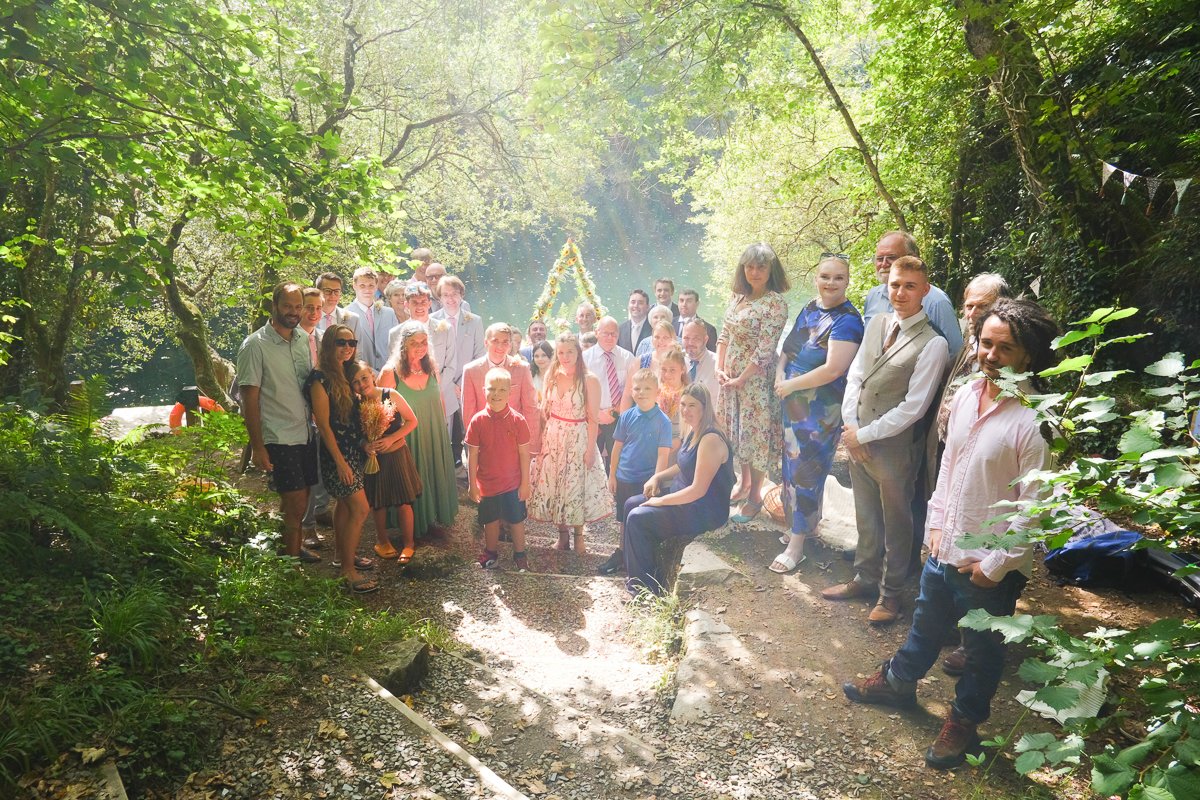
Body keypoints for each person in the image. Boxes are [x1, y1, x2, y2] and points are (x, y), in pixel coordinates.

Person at [842, 298, 1057, 770]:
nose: (991, 355)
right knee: (925, 625)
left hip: (988, 566)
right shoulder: (964, 396)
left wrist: (994, 566)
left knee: (980, 653)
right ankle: (899, 683)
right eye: (985, 343)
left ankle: (962, 722)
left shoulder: (1033, 421)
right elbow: (948, 471)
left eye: (1006, 347)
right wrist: (935, 527)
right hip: (946, 545)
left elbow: (1035, 507)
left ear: (1028, 355)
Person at [823, 255, 949, 625]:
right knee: (866, 516)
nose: (901, 292)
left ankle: (891, 594)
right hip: (858, 437)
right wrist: (850, 428)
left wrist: (863, 434)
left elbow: (914, 407)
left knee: (897, 523)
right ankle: (864, 579)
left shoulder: (933, 344)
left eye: (910, 285)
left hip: (893, 448)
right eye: (895, 284)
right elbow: (855, 377)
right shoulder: (877, 323)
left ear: (924, 291)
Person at [769, 254, 864, 574]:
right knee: (790, 467)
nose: (831, 283)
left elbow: (833, 369)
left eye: (838, 277)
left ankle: (798, 547)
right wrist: (780, 373)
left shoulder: (848, 320)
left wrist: (791, 384)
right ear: (816, 278)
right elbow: (789, 348)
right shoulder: (810, 308)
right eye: (825, 276)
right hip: (792, 403)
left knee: (807, 471)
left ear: (848, 280)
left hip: (820, 411)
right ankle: (806, 526)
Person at [622, 383, 735, 595]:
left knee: (639, 518)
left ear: (705, 407)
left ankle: (644, 589)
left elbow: (698, 491)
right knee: (630, 504)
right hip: (684, 499)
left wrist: (661, 501)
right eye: (683, 404)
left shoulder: (710, 438)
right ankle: (633, 568)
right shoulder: (694, 430)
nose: (685, 410)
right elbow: (684, 464)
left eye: (692, 405)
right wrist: (658, 476)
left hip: (702, 510)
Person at [236, 282, 319, 562]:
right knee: (294, 501)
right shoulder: (255, 345)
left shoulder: (301, 340)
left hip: (305, 432)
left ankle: (290, 547)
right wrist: (258, 447)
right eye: (287, 306)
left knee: (301, 497)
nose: (294, 312)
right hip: (278, 436)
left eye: (298, 307)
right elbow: (249, 398)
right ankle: (290, 562)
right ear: (274, 306)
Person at [716, 243, 790, 523]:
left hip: (755, 382)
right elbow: (724, 335)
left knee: (755, 437)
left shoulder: (775, 303)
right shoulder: (738, 297)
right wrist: (719, 370)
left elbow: (765, 349)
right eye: (749, 266)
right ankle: (745, 482)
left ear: (771, 270)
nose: (754, 272)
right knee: (737, 433)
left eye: (761, 267)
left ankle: (756, 496)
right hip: (731, 381)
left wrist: (740, 378)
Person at [304, 326, 377, 593]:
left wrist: (364, 442)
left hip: (353, 451)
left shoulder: (345, 374)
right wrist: (340, 462)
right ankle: (348, 571)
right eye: (340, 342)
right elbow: (323, 426)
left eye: (351, 342)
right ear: (328, 345)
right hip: (337, 455)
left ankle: (341, 556)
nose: (347, 347)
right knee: (360, 508)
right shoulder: (319, 379)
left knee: (345, 508)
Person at [527, 332, 612, 552]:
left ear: (578, 353)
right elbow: (545, 412)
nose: (565, 356)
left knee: (575, 486)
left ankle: (579, 537)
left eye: (570, 352)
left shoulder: (589, 379)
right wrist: (541, 442)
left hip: (578, 436)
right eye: (561, 352)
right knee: (557, 486)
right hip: (554, 436)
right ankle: (562, 537)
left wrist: (591, 450)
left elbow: (593, 418)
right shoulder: (551, 376)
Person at [378, 321, 459, 539]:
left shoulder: (431, 367)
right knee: (412, 479)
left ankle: (431, 517)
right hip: (407, 437)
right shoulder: (390, 373)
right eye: (415, 343)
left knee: (431, 473)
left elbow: (440, 398)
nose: (421, 347)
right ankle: (408, 528)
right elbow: (376, 409)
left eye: (424, 342)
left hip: (433, 432)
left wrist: (441, 430)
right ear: (403, 344)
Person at [598, 369, 673, 576]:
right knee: (623, 518)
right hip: (625, 476)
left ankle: (643, 556)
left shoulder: (663, 421)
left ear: (657, 391)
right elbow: (617, 447)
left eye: (647, 388)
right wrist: (612, 475)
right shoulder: (627, 416)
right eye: (637, 388)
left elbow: (663, 456)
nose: (641, 392)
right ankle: (622, 553)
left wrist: (656, 480)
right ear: (631, 391)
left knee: (642, 518)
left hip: (646, 479)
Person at [349, 361, 421, 565]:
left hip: (397, 455)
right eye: (355, 382)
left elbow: (412, 421)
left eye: (364, 378)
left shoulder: (390, 395)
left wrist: (391, 439)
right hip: (374, 460)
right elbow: (354, 434)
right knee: (377, 502)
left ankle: (409, 543)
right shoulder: (356, 404)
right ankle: (382, 541)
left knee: (404, 501)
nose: (362, 384)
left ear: (372, 375)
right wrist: (365, 445)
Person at [466, 368, 533, 572]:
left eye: (502, 389)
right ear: (483, 389)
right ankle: (491, 553)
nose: (496, 394)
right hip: (487, 484)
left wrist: (525, 483)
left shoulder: (518, 420)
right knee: (490, 520)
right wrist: (472, 485)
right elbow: (473, 455)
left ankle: (520, 554)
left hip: (513, 483)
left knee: (516, 520)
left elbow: (524, 454)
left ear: (510, 392)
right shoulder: (477, 421)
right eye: (492, 389)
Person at [861, 232, 962, 359]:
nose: (884, 264)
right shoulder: (873, 296)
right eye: (879, 259)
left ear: (912, 258)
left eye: (891, 257)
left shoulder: (936, 301)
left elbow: (954, 353)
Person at [461, 324, 541, 461]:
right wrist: (475, 444)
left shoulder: (521, 368)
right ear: (486, 342)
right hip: (484, 440)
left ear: (510, 345)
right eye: (495, 341)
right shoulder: (470, 370)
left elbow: (530, 407)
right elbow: (468, 412)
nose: (500, 346)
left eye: (505, 342)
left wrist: (531, 443)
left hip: (514, 439)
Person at [391, 282, 457, 435]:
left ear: (429, 303)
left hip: (441, 397)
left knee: (442, 442)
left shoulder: (445, 328)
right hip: (411, 403)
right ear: (407, 304)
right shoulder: (396, 333)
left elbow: (451, 365)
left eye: (423, 302)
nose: (419, 306)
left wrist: (433, 390)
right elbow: (396, 370)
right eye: (415, 302)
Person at [432, 275, 484, 465]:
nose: (450, 298)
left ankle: (474, 473)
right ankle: (445, 473)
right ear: (440, 298)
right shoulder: (432, 321)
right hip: (442, 385)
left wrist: (462, 382)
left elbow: (479, 354)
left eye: (454, 294)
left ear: (461, 295)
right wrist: (448, 383)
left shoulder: (475, 321)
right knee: (443, 432)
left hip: (467, 384)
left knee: (470, 430)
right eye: (446, 295)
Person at [299, 287, 331, 546]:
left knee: (321, 467)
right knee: (306, 472)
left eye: (318, 308)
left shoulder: (324, 339)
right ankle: (306, 526)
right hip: (298, 415)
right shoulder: (290, 339)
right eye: (308, 307)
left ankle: (320, 510)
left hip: (323, 414)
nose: (314, 313)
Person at [583, 316, 636, 469]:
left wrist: (616, 411)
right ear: (596, 332)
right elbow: (581, 390)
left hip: (619, 417)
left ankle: (618, 492)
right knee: (592, 463)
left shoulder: (627, 358)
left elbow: (632, 388)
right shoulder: (585, 359)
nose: (610, 337)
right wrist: (595, 414)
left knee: (618, 463)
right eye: (606, 333)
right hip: (593, 418)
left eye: (614, 334)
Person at [346, 267, 398, 371]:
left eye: (371, 285)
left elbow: (396, 345)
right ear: (354, 286)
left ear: (376, 286)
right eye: (362, 286)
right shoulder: (346, 315)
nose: (367, 289)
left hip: (389, 373)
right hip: (360, 375)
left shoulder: (389, 313)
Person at [681, 318, 719, 399]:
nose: (690, 343)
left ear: (705, 340)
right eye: (686, 338)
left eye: (695, 338)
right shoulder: (676, 360)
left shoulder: (718, 364)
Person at [617, 289, 652, 353]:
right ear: (628, 305)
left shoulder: (653, 328)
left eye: (640, 303)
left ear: (647, 307)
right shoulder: (620, 329)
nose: (636, 306)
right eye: (633, 302)